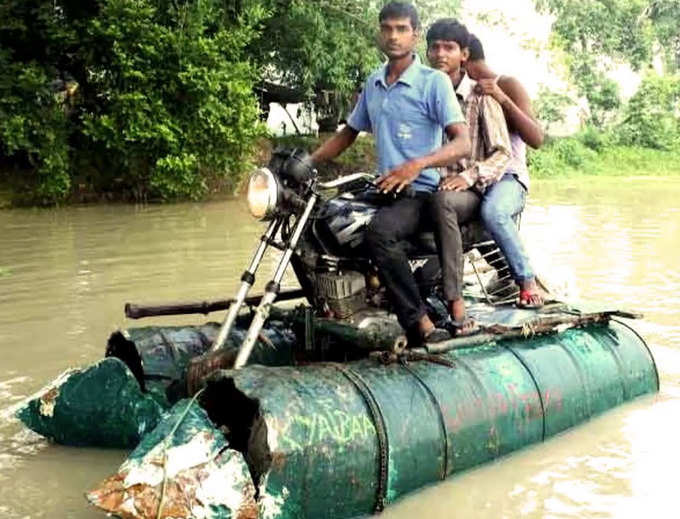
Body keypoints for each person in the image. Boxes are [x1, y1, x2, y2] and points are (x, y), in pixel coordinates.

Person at [310, 2, 471, 345]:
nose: (393, 36)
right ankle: (339, 304)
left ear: (414, 34)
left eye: (401, 29)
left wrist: (416, 165)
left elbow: (462, 143)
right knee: (325, 217)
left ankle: (421, 322)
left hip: (421, 193)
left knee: (379, 233)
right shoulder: (374, 81)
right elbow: (348, 133)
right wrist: (307, 162)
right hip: (383, 189)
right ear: (379, 32)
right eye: (387, 28)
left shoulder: (434, 82)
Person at [425, 18, 513, 335]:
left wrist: (470, 176)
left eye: (448, 48)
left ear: (464, 54)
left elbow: (503, 153)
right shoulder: (420, 94)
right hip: (429, 188)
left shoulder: (481, 96)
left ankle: (456, 305)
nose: (440, 54)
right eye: (434, 47)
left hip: (468, 193)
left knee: (444, 201)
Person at [464, 35, 546, 308]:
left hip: (509, 176)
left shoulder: (507, 83)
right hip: (476, 177)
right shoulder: (460, 91)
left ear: (464, 56)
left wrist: (502, 98)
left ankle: (527, 281)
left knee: (494, 212)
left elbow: (536, 138)